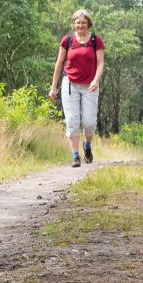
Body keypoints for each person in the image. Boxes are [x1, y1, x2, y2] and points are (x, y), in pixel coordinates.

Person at [48, 9, 105, 167]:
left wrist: (96, 79)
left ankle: (87, 145)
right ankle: (75, 155)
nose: (81, 25)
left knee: (89, 123)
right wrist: (53, 87)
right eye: (78, 22)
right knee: (72, 121)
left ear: (88, 24)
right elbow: (59, 64)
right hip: (70, 85)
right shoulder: (67, 40)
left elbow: (100, 63)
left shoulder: (95, 40)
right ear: (73, 24)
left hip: (90, 86)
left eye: (84, 22)